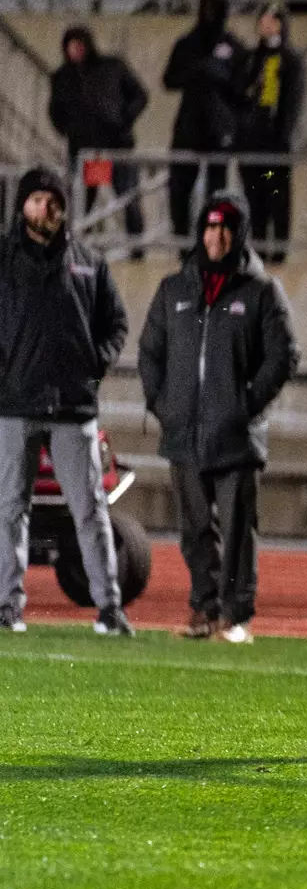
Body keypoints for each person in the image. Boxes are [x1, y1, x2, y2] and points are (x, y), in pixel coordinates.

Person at [138, 192, 299, 644]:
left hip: (236, 437)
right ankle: (204, 609)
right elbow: (150, 353)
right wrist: (164, 406)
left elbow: (284, 356)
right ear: (199, 232)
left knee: (237, 530)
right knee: (194, 531)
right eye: (210, 227)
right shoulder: (174, 289)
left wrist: (244, 407)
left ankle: (235, 616)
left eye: (226, 227)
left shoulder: (261, 290)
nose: (217, 236)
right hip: (183, 433)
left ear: (240, 234)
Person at [0, 167, 132, 636]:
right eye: (37, 199)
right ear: (23, 205)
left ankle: (109, 609)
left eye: (54, 200)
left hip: (74, 408)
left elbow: (116, 324)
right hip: (15, 405)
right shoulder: (3, 259)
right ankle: (7, 607)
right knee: (9, 509)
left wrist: (94, 369)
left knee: (90, 510)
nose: (46, 208)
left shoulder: (89, 262)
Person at [48, 24, 148, 252]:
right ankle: (74, 248)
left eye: (79, 45)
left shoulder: (112, 67)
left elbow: (140, 96)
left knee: (128, 197)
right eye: (71, 46)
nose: (75, 51)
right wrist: (70, 130)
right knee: (80, 203)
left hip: (116, 147)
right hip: (84, 150)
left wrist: (122, 121)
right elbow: (55, 111)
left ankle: (138, 250)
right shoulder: (63, 77)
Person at [162, 0, 247, 246]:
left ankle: (214, 242)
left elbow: (242, 87)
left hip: (219, 128)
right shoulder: (187, 44)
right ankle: (182, 242)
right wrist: (197, 70)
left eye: (214, 9)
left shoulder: (233, 46)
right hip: (188, 125)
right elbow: (169, 79)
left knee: (216, 192)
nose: (209, 14)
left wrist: (219, 75)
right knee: (179, 187)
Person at [239, 1, 306, 264]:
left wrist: (284, 135)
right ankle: (257, 249)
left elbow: (293, 101)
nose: (264, 25)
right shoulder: (252, 58)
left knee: (278, 197)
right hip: (252, 140)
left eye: (270, 20)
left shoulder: (290, 59)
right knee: (254, 197)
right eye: (262, 20)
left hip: (276, 142)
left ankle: (278, 252)